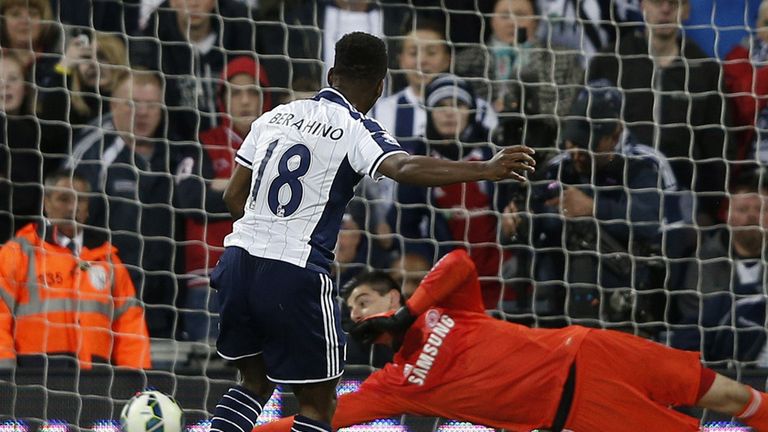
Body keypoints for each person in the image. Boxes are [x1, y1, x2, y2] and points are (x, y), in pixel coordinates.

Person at [209, 32, 535, 432]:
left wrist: (266, 234)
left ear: (332, 74)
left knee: (253, 384)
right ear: (381, 86)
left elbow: (232, 196)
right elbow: (404, 168)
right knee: (319, 403)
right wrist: (484, 169)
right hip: (294, 271)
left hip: (236, 263)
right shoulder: (356, 129)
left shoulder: (274, 116)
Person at [252, 249, 768, 432]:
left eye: (364, 299)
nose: (356, 309)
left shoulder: (446, 307)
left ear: (393, 296)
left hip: (590, 348)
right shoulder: (394, 384)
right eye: (351, 309)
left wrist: (410, 313)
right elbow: (324, 420)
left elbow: (460, 262)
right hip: (580, 407)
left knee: (729, 395)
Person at [67, 70, 187, 339]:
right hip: (104, 298)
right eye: (132, 103)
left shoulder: (175, 153)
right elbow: (64, 215)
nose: (142, 113)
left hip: (163, 303)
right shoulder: (94, 152)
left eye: (151, 104)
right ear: (113, 105)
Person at [588, 0, 729, 225]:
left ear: (686, 10)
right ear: (642, 6)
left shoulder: (705, 70)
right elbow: (584, 128)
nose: (665, 9)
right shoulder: (610, 61)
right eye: (656, 2)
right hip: (615, 196)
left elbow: (719, 147)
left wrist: (708, 210)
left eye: (673, 3)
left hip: (682, 204)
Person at [0, 170, 151, 370]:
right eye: (63, 199)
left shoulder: (109, 261)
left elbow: (130, 328)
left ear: (88, 208)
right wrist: (5, 379)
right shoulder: (18, 253)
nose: (72, 207)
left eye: (80, 200)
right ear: (46, 203)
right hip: (34, 381)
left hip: (97, 382)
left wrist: (136, 386)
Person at [175, 55, 273, 342]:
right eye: (236, 92)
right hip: (209, 280)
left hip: (265, 279)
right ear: (222, 98)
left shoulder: (281, 144)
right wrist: (255, 190)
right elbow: (190, 199)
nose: (245, 101)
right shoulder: (203, 142)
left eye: (252, 92)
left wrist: (225, 187)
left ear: (265, 98)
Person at [671, 172, 768, 363]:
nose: (751, 216)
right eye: (743, 209)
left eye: (761, 210)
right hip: (718, 357)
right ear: (727, 215)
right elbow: (697, 314)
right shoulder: (705, 258)